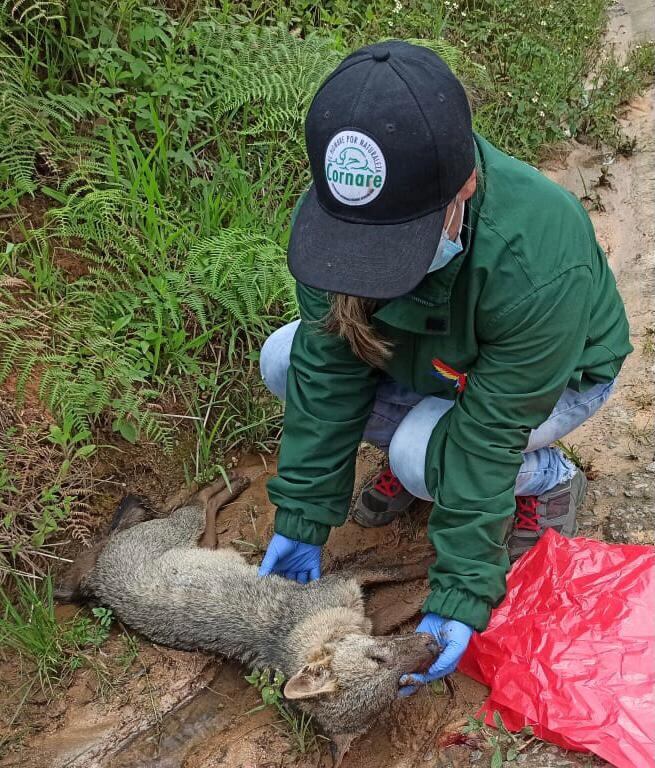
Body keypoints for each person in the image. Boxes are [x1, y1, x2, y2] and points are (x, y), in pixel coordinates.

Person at [256, 40, 631, 693]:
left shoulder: (534, 255)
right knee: (285, 358)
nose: (367, 267)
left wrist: (459, 597)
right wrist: (303, 518)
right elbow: (326, 371)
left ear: (463, 188)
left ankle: (544, 478)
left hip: (556, 377)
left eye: (393, 246)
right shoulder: (336, 217)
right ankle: (425, 460)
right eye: (358, 244)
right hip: (434, 360)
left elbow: (488, 433)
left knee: (418, 451)